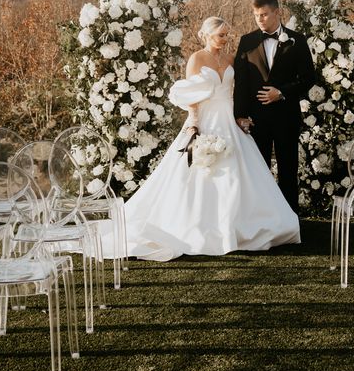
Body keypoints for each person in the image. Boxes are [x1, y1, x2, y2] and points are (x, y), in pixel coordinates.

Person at [118, 16, 300, 261]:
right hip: (205, 118)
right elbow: (192, 94)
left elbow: (238, 91)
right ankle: (202, 228)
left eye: (227, 35)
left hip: (229, 118)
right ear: (207, 35)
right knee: (204, 172)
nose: (225, 40)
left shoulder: (230, 58)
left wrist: (240, 116)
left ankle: (240, 226)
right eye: (220, 35)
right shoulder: (196, 59)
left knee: (238, 174)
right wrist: (194, 123)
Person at [233, 0, 317, 213]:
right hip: (256, 119)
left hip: (286, 117)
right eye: (256, 15)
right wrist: (239, 115)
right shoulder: (247, 41)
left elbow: (309, 78)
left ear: (277, 12)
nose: (259, 19)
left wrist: (281, 92)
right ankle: (261, 218)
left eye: (264, 14)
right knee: (259, 171)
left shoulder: (297, 40)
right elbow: (240, 82)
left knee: (288, 170)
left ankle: (289, 221)